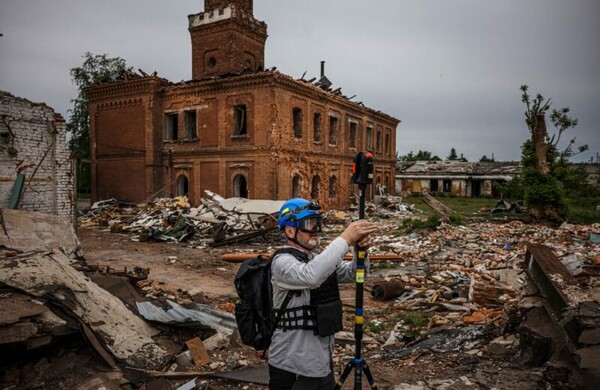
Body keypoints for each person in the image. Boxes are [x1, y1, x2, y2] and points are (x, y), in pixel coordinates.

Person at [268, 198, 378, 389]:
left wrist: (360, 252)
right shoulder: (281, 263)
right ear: (289, 230)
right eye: (309, 224)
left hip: (321, 362)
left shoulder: (317, 259)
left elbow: (352, 273)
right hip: (292, 365)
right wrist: (345, 238)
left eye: (317, 223)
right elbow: (311, 276)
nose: (315, 230)